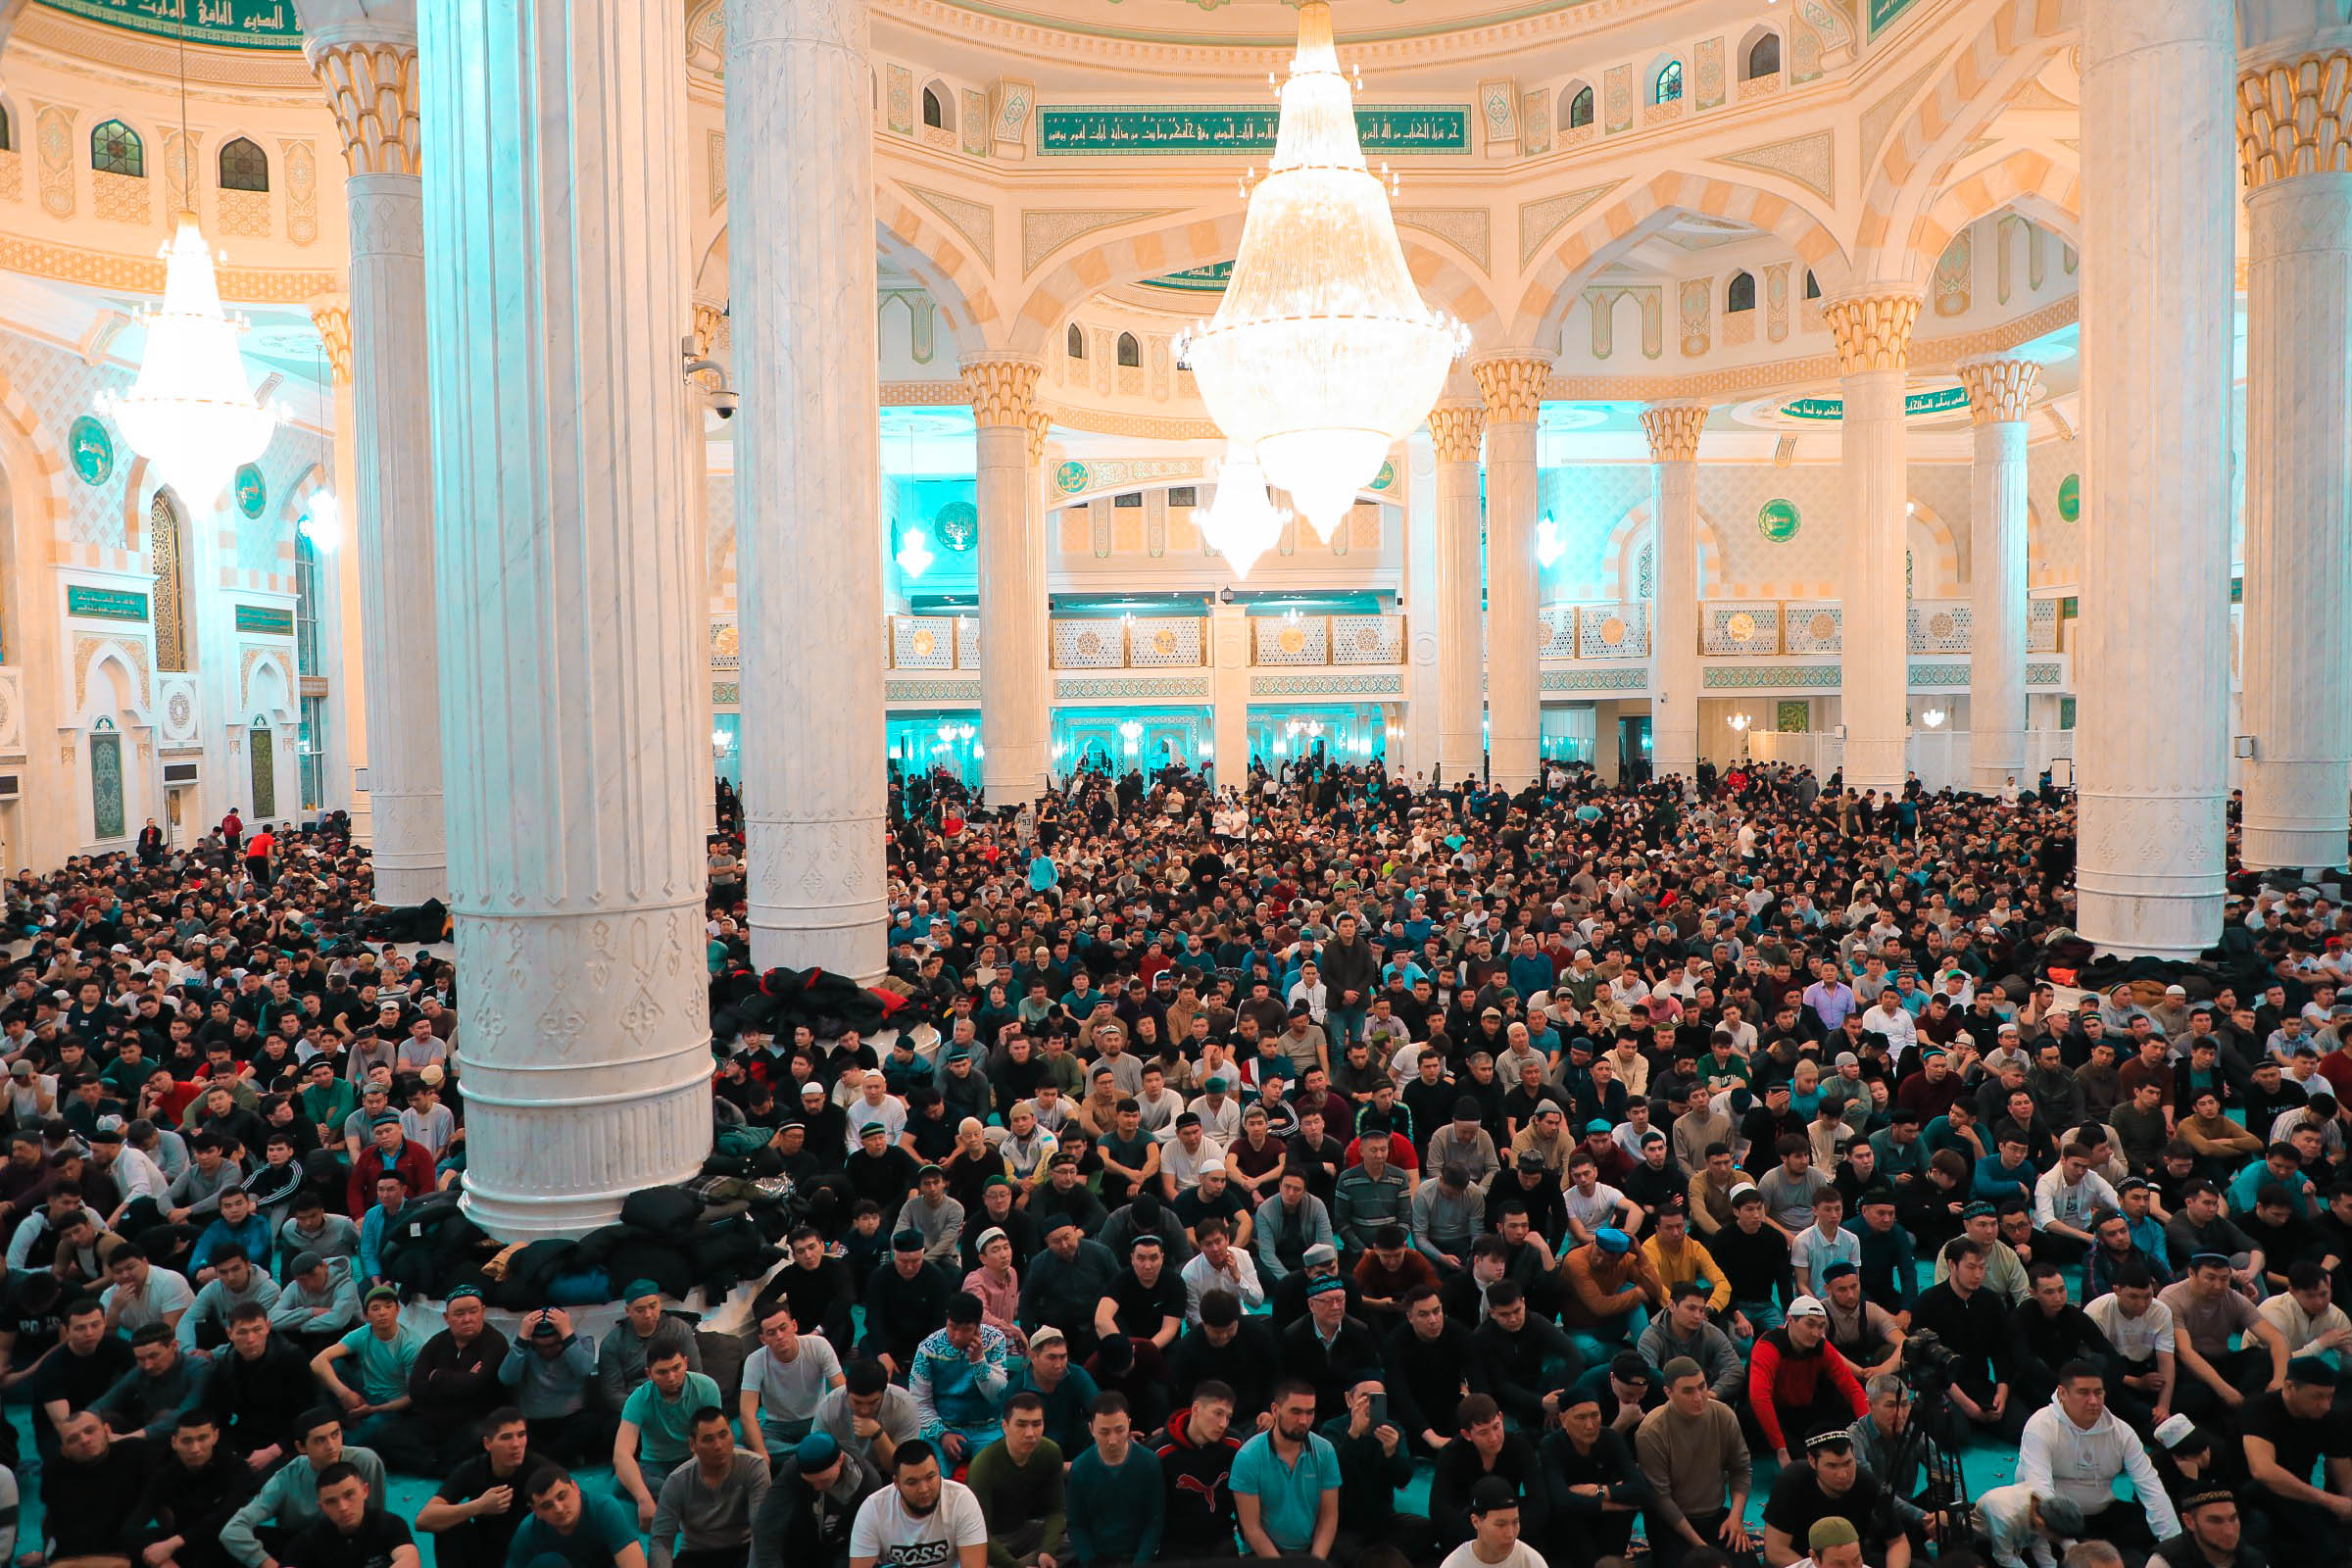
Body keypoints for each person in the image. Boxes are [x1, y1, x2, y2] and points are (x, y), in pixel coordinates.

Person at [2015, 1360, 2180, 1551]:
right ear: (2062, 1393)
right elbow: (2041, 1493)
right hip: (2052, 1521)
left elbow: (2152, 1489)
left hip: (2102, 1514)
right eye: (2084, 1392)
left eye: (2098, 1393)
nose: (2093, 1401)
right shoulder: (2040, 1426)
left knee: (2146, 1529)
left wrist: (2174, 1548)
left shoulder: (2122, 1432)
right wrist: (2072, 1548)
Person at [220, 1408, 388, 1568]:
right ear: (301, 1447)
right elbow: (232, 1530)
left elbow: (376, 1520)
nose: (331, 1446)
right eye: (320, 1440)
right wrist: (269, 1564)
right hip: (303, 1548)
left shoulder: (365, 1461)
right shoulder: (286, 1478)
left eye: (335, 1435)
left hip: (353, 1543)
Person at [1635, 1358, 1754, 1568]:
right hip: (1671, 1522)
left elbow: (1741, 1469)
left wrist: (1736, 1517)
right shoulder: (1651, 1431)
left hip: (1715, 1516)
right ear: (1669, 1393)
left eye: (1702, 1387)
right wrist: (1702, 1548)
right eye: (1688, 1391)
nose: (1699, 1397)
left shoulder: (1724, 1415)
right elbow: (1661, 1498)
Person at [2239, 1353, 2352, 1553]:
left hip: (2301, 1496)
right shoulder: (2259, 1409)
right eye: (2317, 1396)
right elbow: (2263, 1471)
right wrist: (2328, 1500)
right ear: (2290, 1387)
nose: (2326, 1405)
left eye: (2330, 1397)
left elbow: (2346, 1480)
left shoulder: (2330, 1417)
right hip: (2252, 1494)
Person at [414, 1408, 555, 1568]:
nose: (516, 1444)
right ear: (488, 1444)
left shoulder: (541, 1470)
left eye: (521, 1435)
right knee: (449, 1522)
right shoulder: (472, 1469)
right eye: (506, 1437)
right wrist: (480, 1506)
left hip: (527, 1552)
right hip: (487, 1552)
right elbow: (423, 1520)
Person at [615, 1343, 726, 1529]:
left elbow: (713, 1439)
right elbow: (621, 1454)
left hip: (697, 1458)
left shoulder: (706, 1387)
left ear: (686, 1363)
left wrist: (691, 1475)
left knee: (735, 1456)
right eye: (662, 1372)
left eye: (677, 1368)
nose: (672, 1377)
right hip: (655, 1465)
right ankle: (690, 1503)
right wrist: (643, 1499)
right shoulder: (638, 1398)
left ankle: (673, 1502)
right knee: (620, 1481)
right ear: (649, 1374)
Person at [124, 1409, 254, 1568]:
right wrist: (164, 1561)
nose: (195, 1448)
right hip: (186, 1548)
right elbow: (132, 1527)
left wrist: (175, 1542)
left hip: (228, 1543)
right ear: (174, 1442)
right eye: (187, 1441)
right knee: (147, 1545)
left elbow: (227, 1514)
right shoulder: (165, 1475)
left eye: (202, 1438)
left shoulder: (236, 1468)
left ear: (215, 1436)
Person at [645, 1405, 771, 1568]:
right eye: (708, 1439)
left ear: (732, 1434)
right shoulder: (677, 1481)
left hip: (743, 1550)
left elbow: (761, 1529)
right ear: (693, 1444)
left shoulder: (754, 1467)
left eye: (723, 1435)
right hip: (696, 1554)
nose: (718, 1445)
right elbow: (661, 1541)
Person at [1747, 1297, 1868, 1464]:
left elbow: (1852, 1389)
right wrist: (1781, 1448)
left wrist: (1868, 1432)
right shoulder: (1768, 1347)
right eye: (1810, 1325)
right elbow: (1759, 1398)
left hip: (1803, 1410)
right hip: (1774, 1413)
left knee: (1843, 1399)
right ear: (1790, 1320)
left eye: (1821, 1326)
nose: (1816, 1333)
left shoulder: (1821, 1346)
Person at [1230, 1378, 1341, 1559]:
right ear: (1275, 1410)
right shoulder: (1248, 1456)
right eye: (1295, 1412)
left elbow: (1328, 1518)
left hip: (1311, 1552)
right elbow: (1252, 1528)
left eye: (1310, 1412)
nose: (1303, 1421)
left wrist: (1315, 1563)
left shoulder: (1325, 1451)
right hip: (1263, 1555)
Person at [961, 1392, 1064, 1568]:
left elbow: (1056, 1511)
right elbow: (979, 1533)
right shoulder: (983, 1465)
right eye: (1021, 1425)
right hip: (990, 1540)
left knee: (1073, 1537)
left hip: (1025, 1531)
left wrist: (1047, 1551)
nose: (1030, 1433)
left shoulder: (1051, 1452)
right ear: (1005, 1426)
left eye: (1036, 1424)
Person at [847, 1441, 989, 1568]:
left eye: (930, 1477)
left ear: (939, 1470)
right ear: (896, 1483)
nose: (924, 1489)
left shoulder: (961, 1499)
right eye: (912, 1482)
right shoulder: (873, 1509)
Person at [1063, 1392, 1163, 1566]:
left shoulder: (1149, 1463)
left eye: (1119, 1430)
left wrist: (1140, 1562)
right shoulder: (1081, 1468)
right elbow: (1076, 1525)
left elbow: (1155, 1520)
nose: (1112, 1440)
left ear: (1129, 1425)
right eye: (1104, 1432)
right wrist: (1090, 1562)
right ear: (1091, 1429)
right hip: (1098, 1558)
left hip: (1139, 1556)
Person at [1151, 1382, 1243, 1560]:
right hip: (1175, 1546)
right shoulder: (1160, 1451)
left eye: (1228, 1417)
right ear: (1196, 1409)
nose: (1223, 1424)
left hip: (1221, 1541)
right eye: (1217, 1413)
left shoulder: (1234, 1444)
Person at [740, 1301, 844, 1459]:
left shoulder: (818, 1345)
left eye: (783, 1328)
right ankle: (810, 1452)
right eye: (771, 1333)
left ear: (794, 1326)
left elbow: (841, 1391)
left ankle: (797, 1454)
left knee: (839, 1432)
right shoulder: (755, 1361)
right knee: (749, 1443)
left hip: (817, 1419)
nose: (779, 1336)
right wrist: (761, 1451)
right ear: (763, 1339)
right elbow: (746, 1413)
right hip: (777, 1427)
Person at [760, 1432, 879, 1568]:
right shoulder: (794, 1467)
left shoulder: (868, 1484)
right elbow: (767, 1523)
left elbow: (858, 1546)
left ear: (840, 1459)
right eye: (810, 1482)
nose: (817, 1488)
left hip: (842, 1550)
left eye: (824, 1480)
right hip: (799, 1547)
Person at [281, 1460, 419, 1568]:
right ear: (322, 1507)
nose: (343, 1507)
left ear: (365, 1491)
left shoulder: (390, 1524)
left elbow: (410, 1562)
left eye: (349, 1495)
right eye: (331, 1501)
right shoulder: (308, 1540)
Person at [506, 1468, 650, 1568]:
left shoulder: (603, 1508)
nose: (559, 1509)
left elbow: (634, 1564)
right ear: (536, 1511)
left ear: (575, 1487)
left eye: (562, 1496)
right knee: (549, 1563)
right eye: (547, 1506)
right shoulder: (528, 1531)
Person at [1439, 1475, 1548, 1568]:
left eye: (1515, 1522)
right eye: (1501, 1525)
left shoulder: (1530, 1561)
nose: (1510, 1534)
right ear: (1476, 1522)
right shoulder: (1455, 1564)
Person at [2149, 1490, 2261, 1568]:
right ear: (2189, 1522)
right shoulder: (2165, 1562)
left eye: (2233, 1519)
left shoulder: (2251, 1559)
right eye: (2215, 1521)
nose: (2229, 1531)